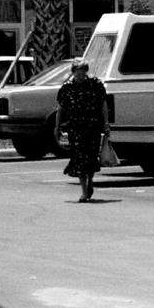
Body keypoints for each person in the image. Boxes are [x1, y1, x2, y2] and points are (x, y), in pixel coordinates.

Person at [56, 58, 109, 203]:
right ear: (73, 73)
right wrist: (57, 127)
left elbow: (103, 104)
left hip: (92, 127)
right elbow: (60, 109)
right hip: (75, 128)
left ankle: (90, 181)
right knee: (79, 159)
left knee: (91, 157)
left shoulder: (95, 85)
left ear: (86, 73)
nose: (80, 77)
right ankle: (84, 191)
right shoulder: (67, 88)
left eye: (82, 74)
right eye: (77, 74)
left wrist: (106, 123)